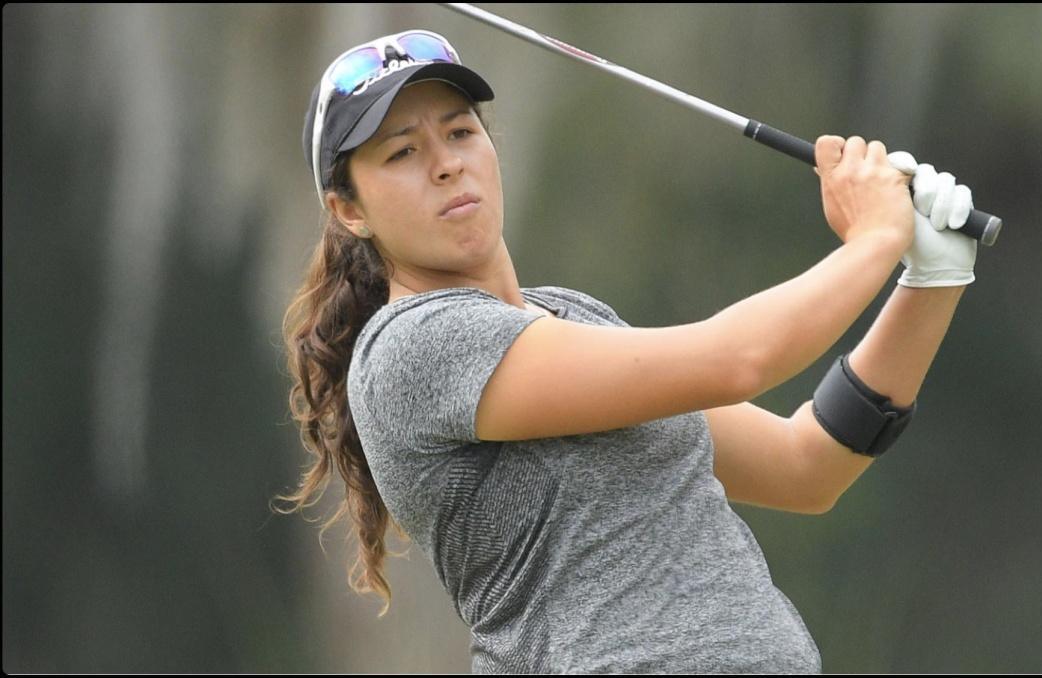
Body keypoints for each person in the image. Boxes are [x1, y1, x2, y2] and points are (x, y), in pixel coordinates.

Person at [273, 28, 978, 674]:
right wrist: (877, 239)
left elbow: (805, 467)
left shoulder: (576, 320)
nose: (446, 165)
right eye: (402, 152)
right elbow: (741, 358)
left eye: (459, 132)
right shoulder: (415, 348)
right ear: (349, 210)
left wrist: (931, 277)